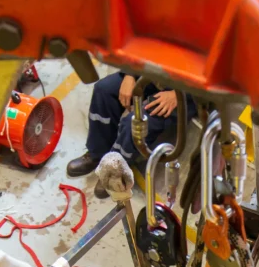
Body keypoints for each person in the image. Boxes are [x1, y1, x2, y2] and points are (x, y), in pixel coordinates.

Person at [65, 72, 195, 196]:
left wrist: (179, 95)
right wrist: (130, 74)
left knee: (134, 123)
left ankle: (115, 171)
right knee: (103, 90)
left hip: (187, 91)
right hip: (158, 73)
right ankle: (97, 154)